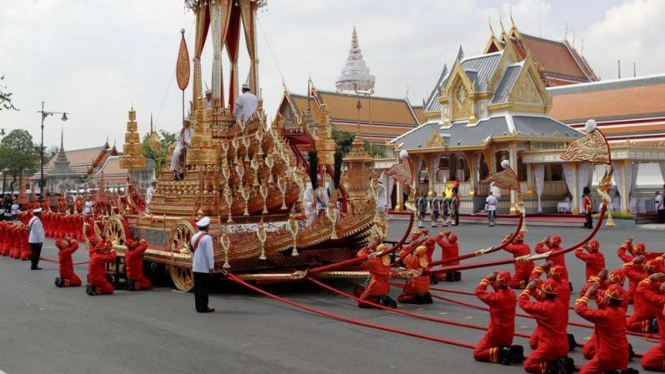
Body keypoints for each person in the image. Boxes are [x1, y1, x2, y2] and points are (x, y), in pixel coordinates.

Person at [519, 279, 574, 374]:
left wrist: (527, 289)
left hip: (548, 347)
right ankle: (558, 362)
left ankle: (553, 367)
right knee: (533, 342)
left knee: (528, 365)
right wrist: (533, 291)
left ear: (544, 293)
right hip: (563, 346)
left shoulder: (543, 308)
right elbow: (544, 298)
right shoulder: (559, 303)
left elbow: (522, 302)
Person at [575, 284, 631, 374]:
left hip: (606, 356)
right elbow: (605, 305)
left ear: (608, 300)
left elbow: (579, 309)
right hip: (622, 355)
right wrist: (596, 294)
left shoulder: (605, 316)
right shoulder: (621, 312)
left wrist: (587, 294)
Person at [474, 271, 522, 365]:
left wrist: (487, 279)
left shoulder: (496, 298)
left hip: (495, 334)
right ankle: (506, 350)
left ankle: (502, 352)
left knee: (478, 353)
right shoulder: (512, 294)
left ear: (498, 282)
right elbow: (501, 291)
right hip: (508, 335)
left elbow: (478, 291)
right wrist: (492, 282)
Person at [625, 259, 664, 332]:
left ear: (646, 269)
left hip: (641, 312)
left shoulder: (640, 278)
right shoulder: (661, 281)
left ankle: (650, 325)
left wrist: (633, 262)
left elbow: (626, 268)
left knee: (628, 325)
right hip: (657, 312)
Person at [357, 244, 396, 308]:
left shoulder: (374, 261)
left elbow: (360, 255)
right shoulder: (387, 259)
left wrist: (367, 247)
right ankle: (382, 298)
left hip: (376, 284)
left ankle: (379, 300)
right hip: (385, 285)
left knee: (361, 302)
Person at [191, 216, 215, 313]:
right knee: (203, 288)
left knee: (197, 287)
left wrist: (194, 261)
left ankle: (198, 306)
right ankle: (204, 307)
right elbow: (209, 254)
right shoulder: (207, 238)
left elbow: (191, 250)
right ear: (206, 227)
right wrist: (211, 266)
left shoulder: (194, 236)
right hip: (204, 267)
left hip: (196, 266)